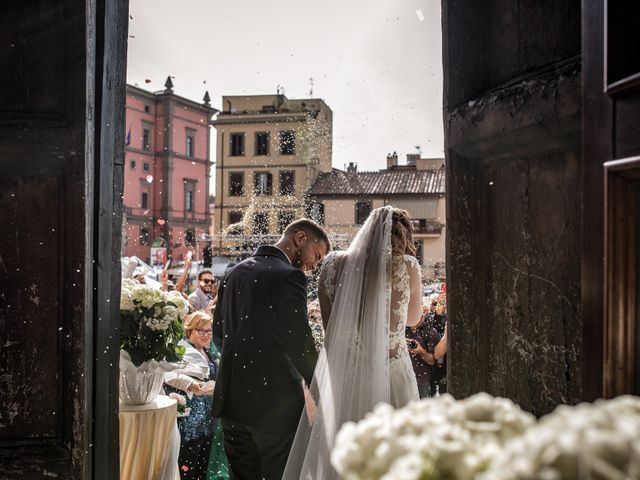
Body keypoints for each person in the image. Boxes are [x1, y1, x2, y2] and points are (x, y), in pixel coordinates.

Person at [284, 206, 423, 479]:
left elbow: (330, 328)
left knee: (343, 455)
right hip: (393, 372)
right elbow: (413, 318)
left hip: (346, 377)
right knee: (397, 457)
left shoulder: (333, 263)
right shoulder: (407, 266)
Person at [212, 219, 330, 479]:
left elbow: (219, 336)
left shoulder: (232, 273)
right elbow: (299, 343)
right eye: (317, 255)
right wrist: (323, 390)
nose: (314, 265)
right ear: (300, 238)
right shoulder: (290, 276)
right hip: (275, 407)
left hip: (232, 404)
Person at [164, 311, 229, 480]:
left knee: (202, 464)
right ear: (189, 330)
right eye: (201, 330)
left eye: (209, 331)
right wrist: (190, 384)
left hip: (208, 419)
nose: (206, 335)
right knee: (187, 463)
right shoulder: (181, 349)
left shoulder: (209, 353)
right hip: (190, 419)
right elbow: (166, 374)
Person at [406, 305, 436, 398]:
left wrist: (421, 351)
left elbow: (432, 361)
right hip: (404, 380)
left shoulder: (430, 331)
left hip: (423, 381)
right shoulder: (401, 331)